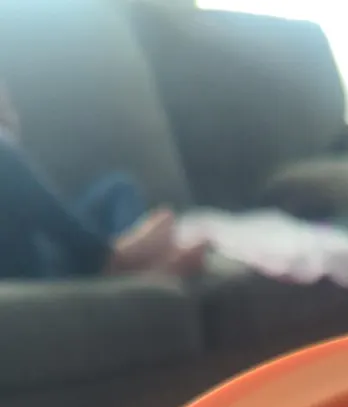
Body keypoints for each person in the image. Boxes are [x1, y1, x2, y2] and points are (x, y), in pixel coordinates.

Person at [0, 83, 202, 280]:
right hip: (27, 265)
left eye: (8, 109)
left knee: (118, 187)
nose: (8, 120)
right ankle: (111, 261)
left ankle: (128, 255)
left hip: (50, 247)